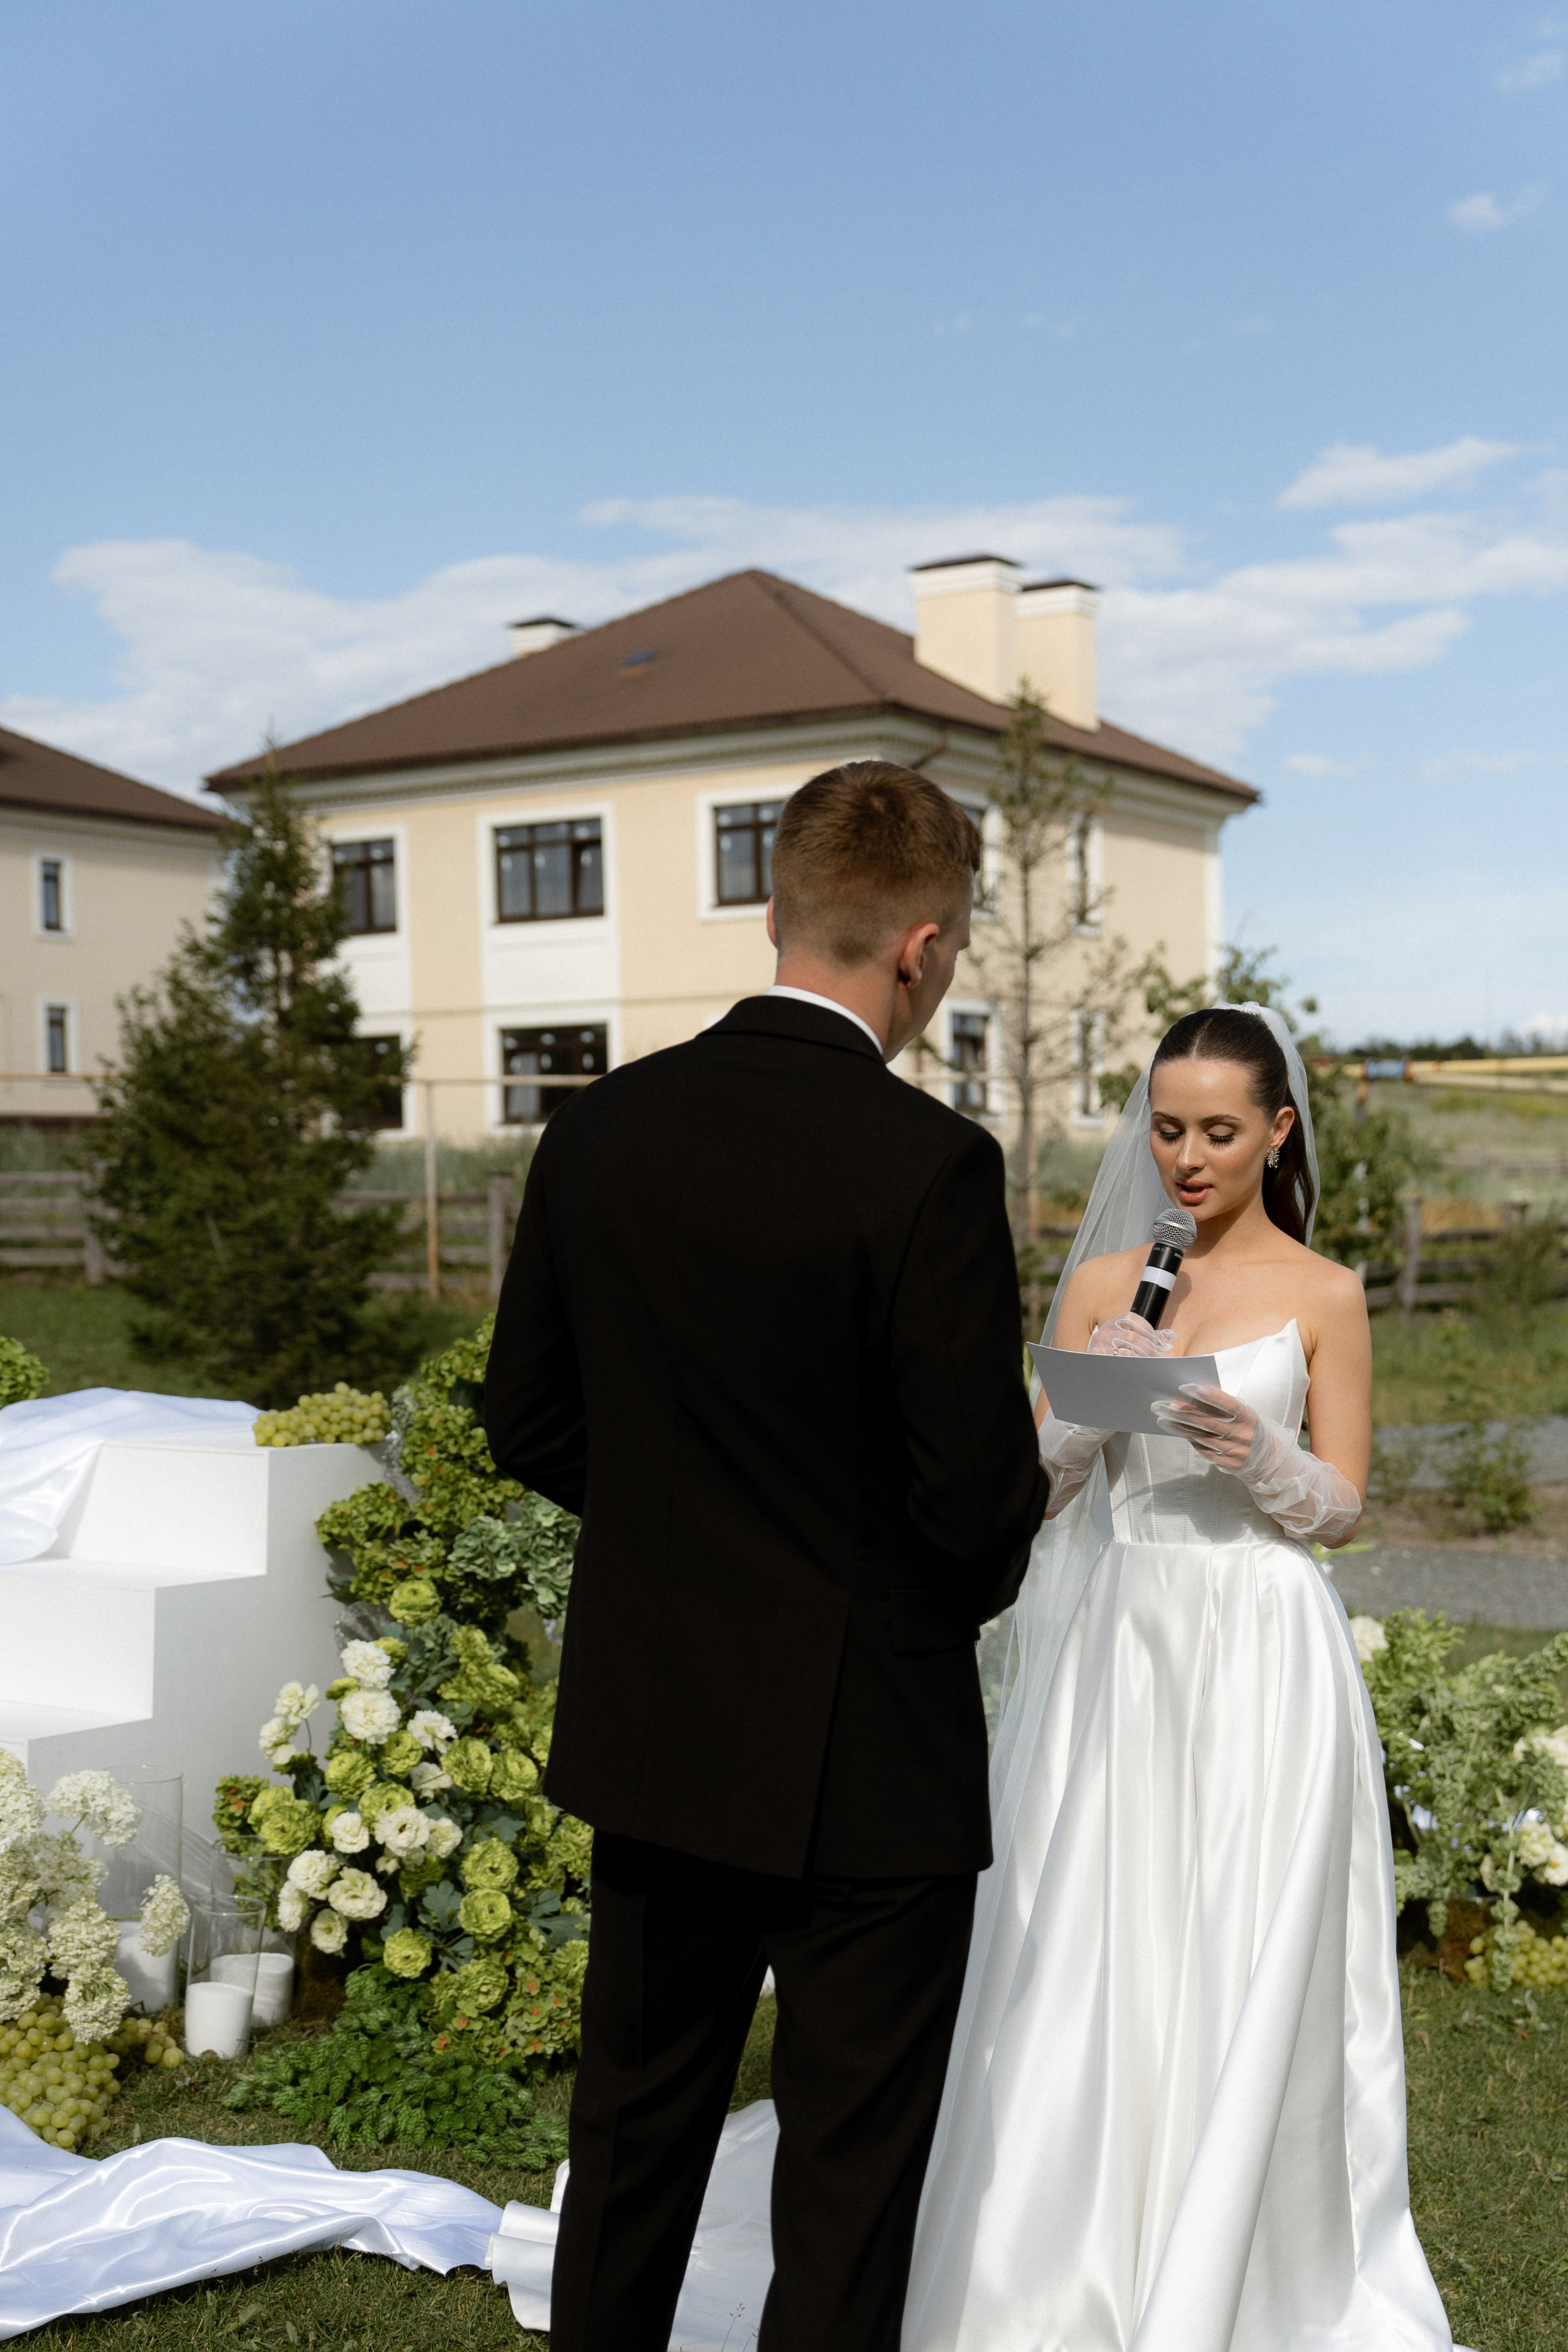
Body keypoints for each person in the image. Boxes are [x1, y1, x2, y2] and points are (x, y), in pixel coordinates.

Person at [484, 761, 1050, 2352]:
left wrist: (681, 1538)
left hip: (659, 1724)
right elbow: (973, 1517)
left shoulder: (598, 1128)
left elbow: (527, 1418)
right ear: (924, 950)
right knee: (846, 2186)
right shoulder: (929, 1165)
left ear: (774, 914)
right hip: (869, 1755)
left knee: (631, 2141)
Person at [901, 1003, 1459, 2351]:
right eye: (1165, 1129)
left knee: (1242, 1931)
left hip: (1262, 1642)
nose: (1186, 1159)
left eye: (1217, 1131)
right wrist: (1084, 1425)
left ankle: (1244, 2248)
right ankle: (1068, 2245)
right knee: (1097, 1930)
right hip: (1124, 1641)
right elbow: (1031, 1500)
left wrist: (1254, 1453)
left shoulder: (1325, 1293)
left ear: (1277, 1130)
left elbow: (1342, 1507)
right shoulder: (1109, 1283)